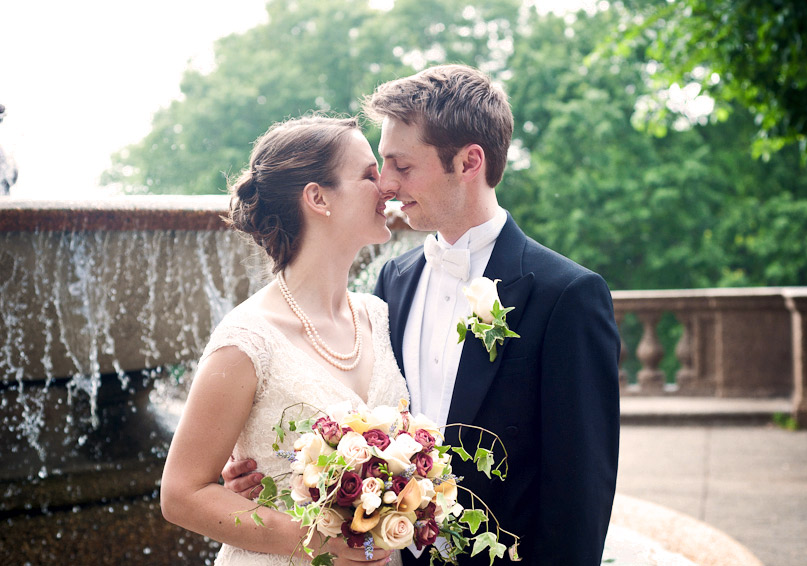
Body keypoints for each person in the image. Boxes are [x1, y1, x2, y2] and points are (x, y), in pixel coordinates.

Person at [225, 65, 621, 565]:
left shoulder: (567, 296)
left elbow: (581, 495)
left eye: (402, 166)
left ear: (469, 161)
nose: (385, 185)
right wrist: (264, 469)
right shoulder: (393, 282)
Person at [160, 115, 408, 566]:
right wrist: (321, 539)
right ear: (317, 197)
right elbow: (181, 494)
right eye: (369, 174)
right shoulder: (246, 340)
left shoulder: (379, 316)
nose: (387, 185)